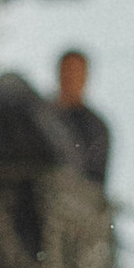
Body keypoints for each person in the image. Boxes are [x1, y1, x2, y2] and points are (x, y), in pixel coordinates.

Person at [52, 48, 111, 188]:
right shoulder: (43, 116)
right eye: (67, 71)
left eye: (76, 73)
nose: (71, 78)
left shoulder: (96, 127)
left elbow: (95, 180)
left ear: (85, 77)